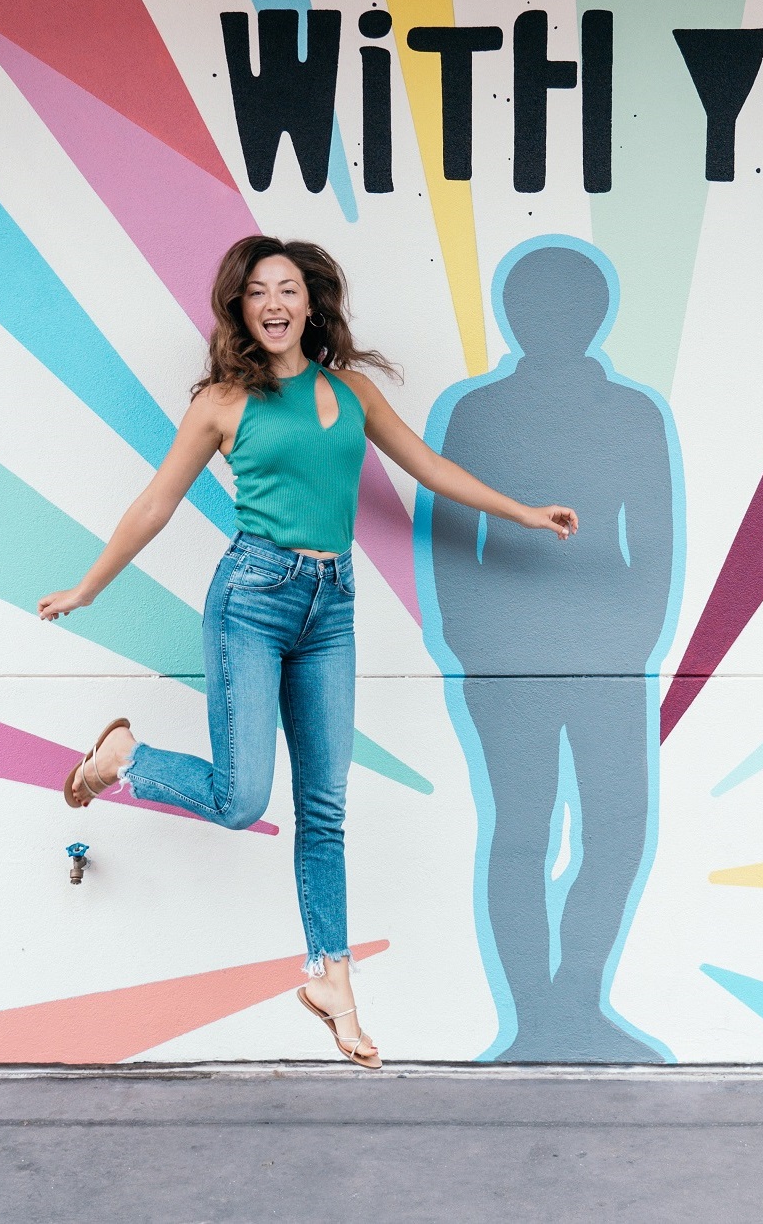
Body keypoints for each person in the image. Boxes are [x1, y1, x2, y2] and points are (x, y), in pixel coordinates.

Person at [37, 236, 577, 1070]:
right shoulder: (223, 402)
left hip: (333, 605)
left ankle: (332, 977)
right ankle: (126, 758)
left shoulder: (350, 391)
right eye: (259, 292)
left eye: (288, 287)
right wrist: (90, 586)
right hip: (250, 599)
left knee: (324, 812)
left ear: (311, 303)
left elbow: (429, 469)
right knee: (240, 797)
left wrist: (524, 511)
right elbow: (155, 503)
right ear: (241, 310)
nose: (276, 302)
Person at [424, 240, 681, 1062]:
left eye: (575, 306)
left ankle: (572, 1002)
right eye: (542, 306)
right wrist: (473, 644)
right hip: (506, 660)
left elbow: (655, 542)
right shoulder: (480, 413)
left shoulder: (633, 413)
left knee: (617, 830)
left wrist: (631, 644)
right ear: (516, 316)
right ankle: (537, 1018)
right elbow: (451, 541)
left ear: (596, 315)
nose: (559, 320)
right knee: (522, 832)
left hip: (608, 658)